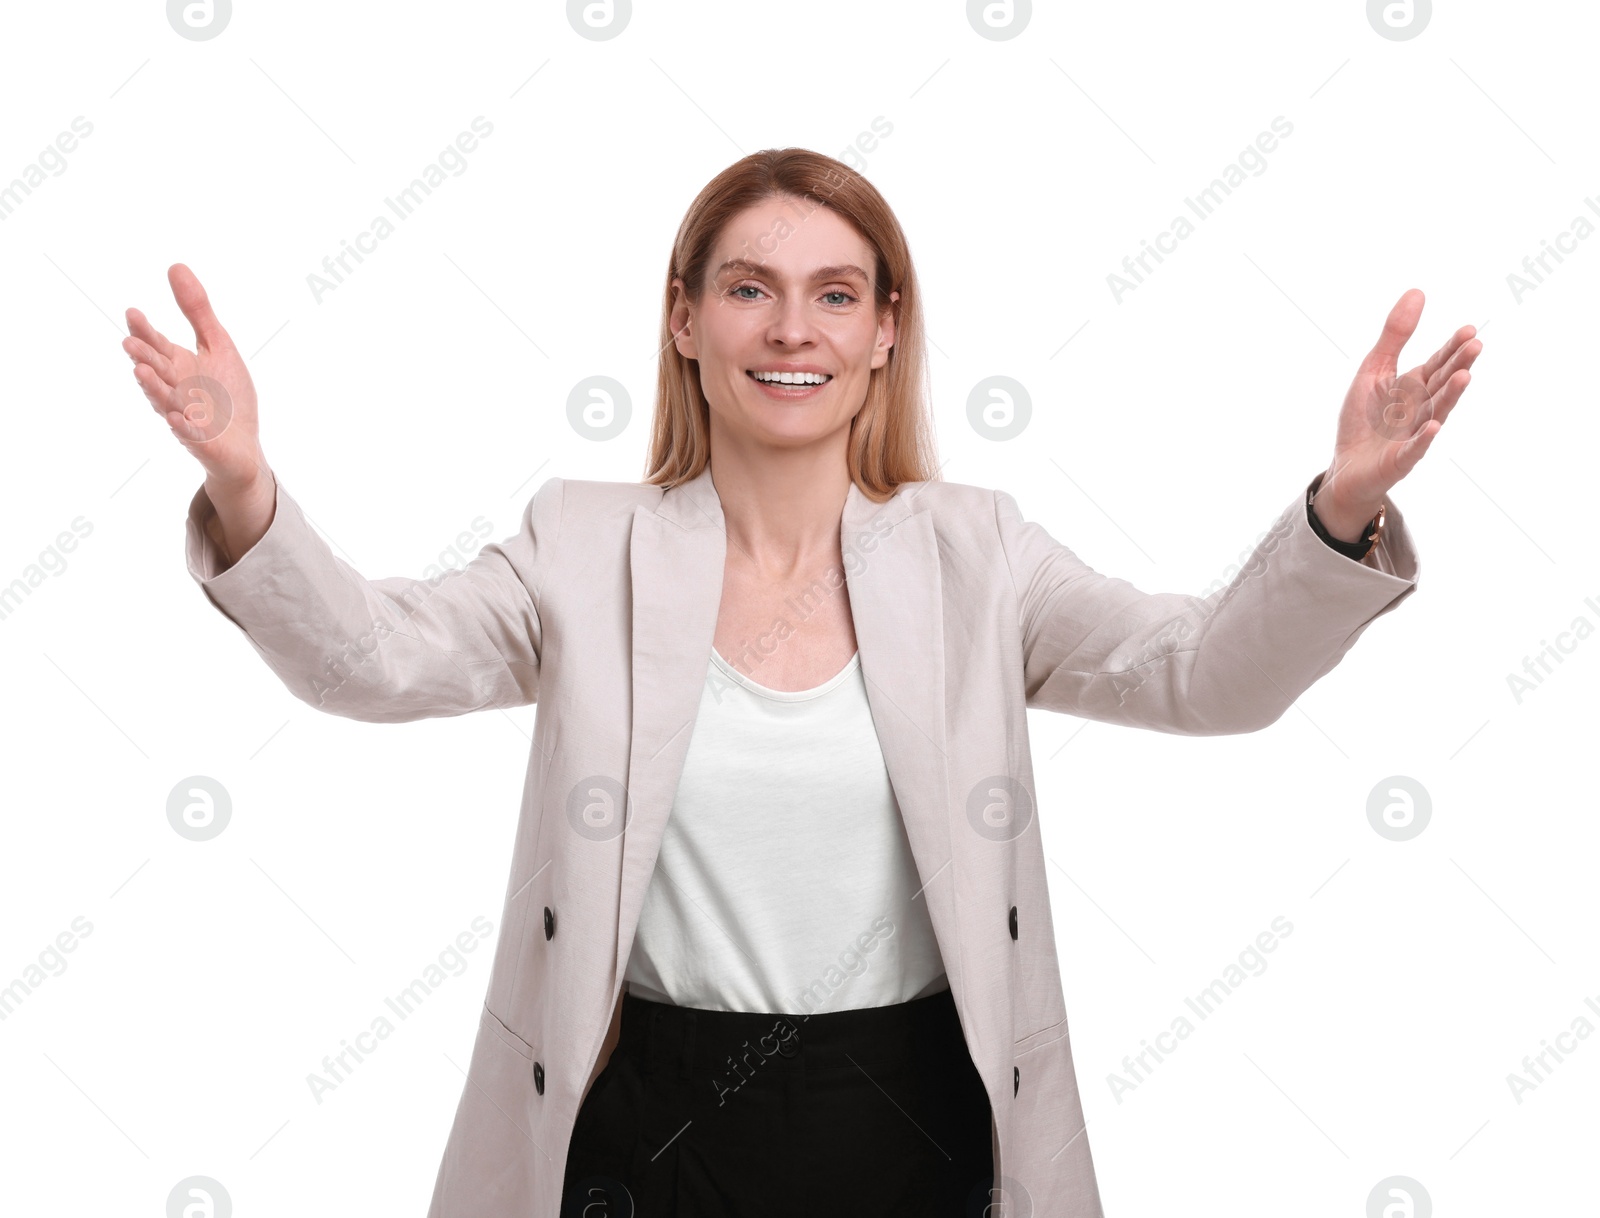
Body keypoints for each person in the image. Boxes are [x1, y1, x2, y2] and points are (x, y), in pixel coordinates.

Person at [124, 148, 1480, 1218]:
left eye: (838, 292)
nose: (794, 327)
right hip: (645, 1120)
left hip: (914, 1115)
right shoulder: (584, 544)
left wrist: (1346, 500)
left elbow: (1206, 680)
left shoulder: (978, 554)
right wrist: (244, 481)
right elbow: (371, 660)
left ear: (887, 331)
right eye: (749, 286)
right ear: (686, 320)